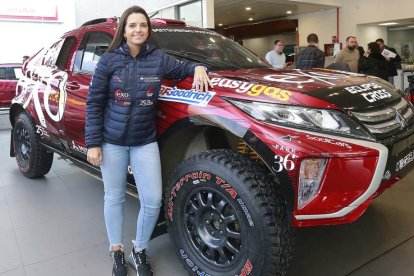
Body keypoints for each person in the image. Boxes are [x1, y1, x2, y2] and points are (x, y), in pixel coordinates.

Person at [85, 6, 211, 276]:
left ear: (148, 30)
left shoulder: (158, 59)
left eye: (143, 25)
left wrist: (199, 67)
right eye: (132, 25)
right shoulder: (108, 61)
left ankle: (138, 248)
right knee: (114, 197)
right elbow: (94, 103)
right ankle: (117, 250)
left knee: (153, 200)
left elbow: (183, 67)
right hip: (112, 142)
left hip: (144, 141)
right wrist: (93, 144)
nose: (138, 30)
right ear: (124, 30)